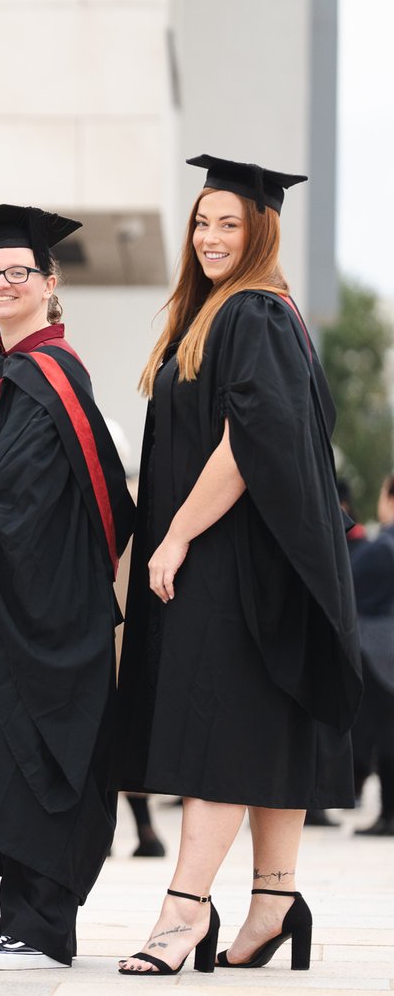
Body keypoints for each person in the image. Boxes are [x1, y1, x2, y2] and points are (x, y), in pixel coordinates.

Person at [116, 156, 362, 975]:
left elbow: (244, 442)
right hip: (260, 556)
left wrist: (178, 533)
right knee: (263, 729)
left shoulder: (252, 312)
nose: (212, 236)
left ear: (262, 229)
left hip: (234, 556)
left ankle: (183, 913)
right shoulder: (235, 312)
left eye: (230, 222)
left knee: (217, 732)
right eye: (202, 221)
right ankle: (275, 902)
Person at [0, 204, 133, 971]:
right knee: (4, 750)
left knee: (39, 749)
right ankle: (19, 916)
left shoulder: (51, 370)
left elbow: (18, 481)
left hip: (41, 604)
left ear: (50, 283)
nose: (2, 282)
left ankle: (45, 928)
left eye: (18, 272)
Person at [351, 474, 394, 837]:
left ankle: (389, 816)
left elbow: (347, 586)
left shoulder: (382, 549)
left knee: (384, 736)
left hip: (380, 653)